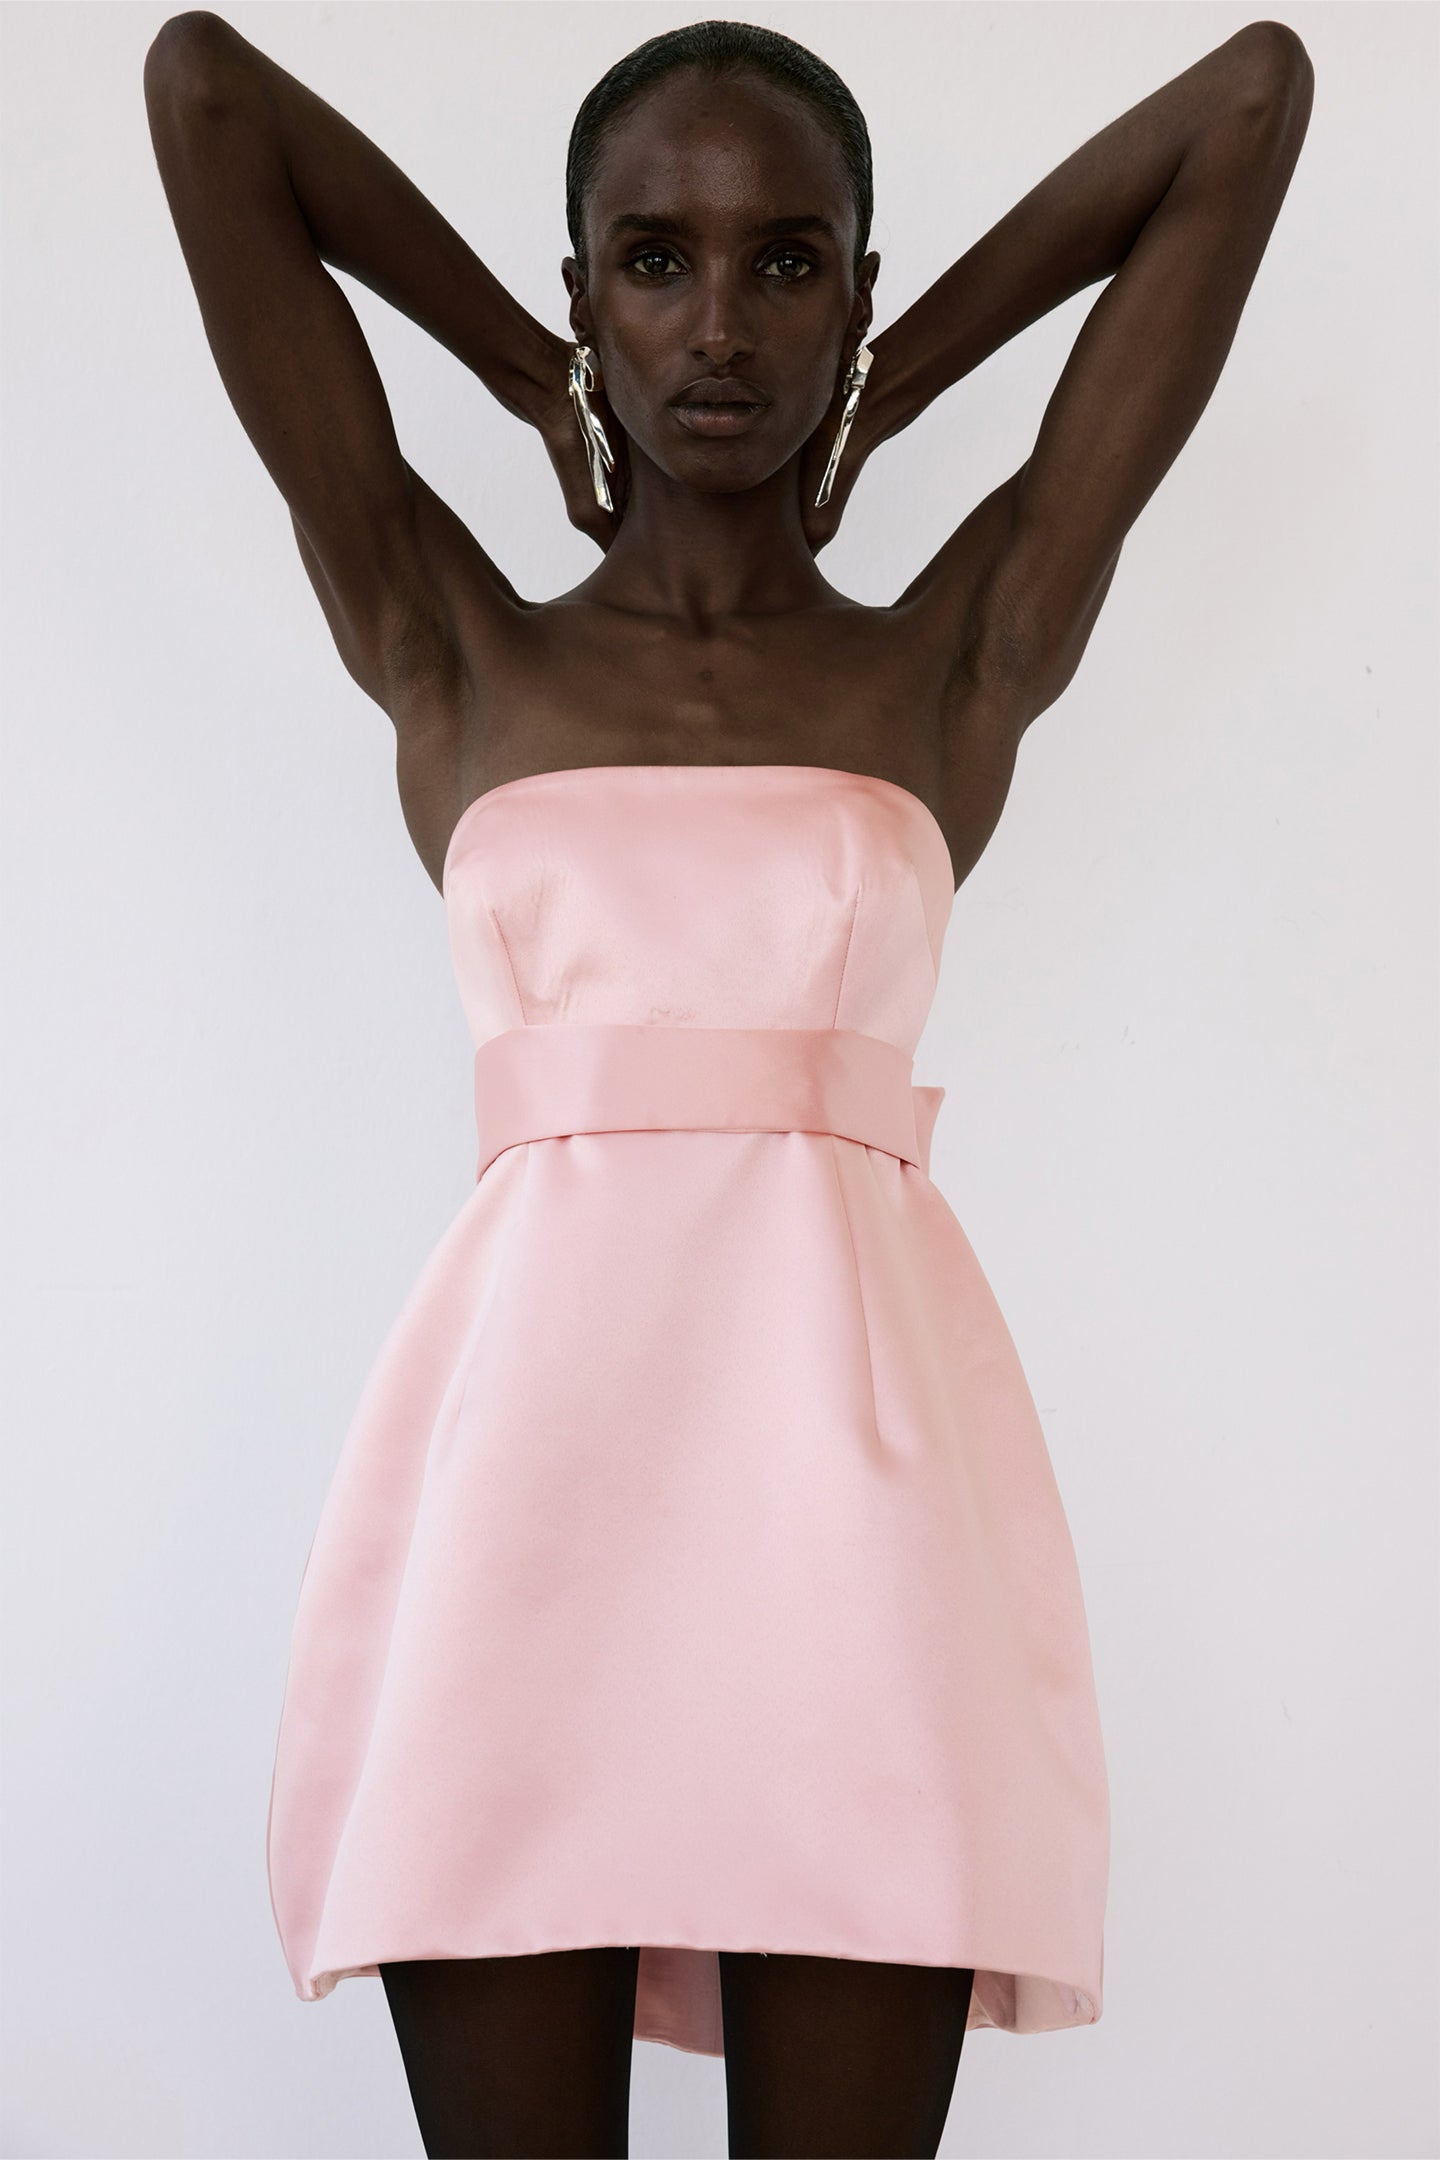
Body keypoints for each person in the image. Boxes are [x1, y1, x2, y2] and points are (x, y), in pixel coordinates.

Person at [144, 14, 1313, 2157]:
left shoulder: (947, 663)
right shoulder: (455, 647)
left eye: (788, 264)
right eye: (654, 260)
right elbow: (205, 90)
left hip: (858, 1543)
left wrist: (905, 376)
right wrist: (525, 374)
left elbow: (1247, 101)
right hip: (515, 1528)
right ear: (586, 284)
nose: (717, 327)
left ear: (852, 289)